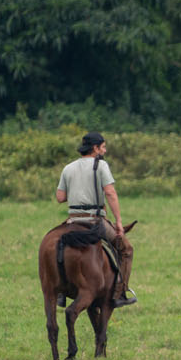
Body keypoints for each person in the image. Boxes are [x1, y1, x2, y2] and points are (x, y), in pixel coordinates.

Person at [54, 130, 136, 306]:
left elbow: (60, 197)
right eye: (103, 147)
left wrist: (77, 192)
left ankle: (61, 291)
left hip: (73, 220)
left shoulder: (68, 168)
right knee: (127, 250)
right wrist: (119, 222)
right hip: (95, 219)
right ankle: (120, 292)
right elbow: (110, 193)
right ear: (95, 148)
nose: (105, 151)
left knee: (58, 250)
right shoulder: (101, 166)